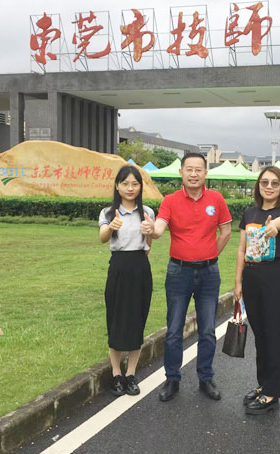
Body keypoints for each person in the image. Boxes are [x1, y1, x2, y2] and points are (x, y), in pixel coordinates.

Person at [141, 153, 232, 402]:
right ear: (181, 172)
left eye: (198, 169)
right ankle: (172, 378)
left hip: (209, 273)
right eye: (189, 169)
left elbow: (226, 231)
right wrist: (151, 229)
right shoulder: (170, 201)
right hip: (178, 272)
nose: (193, 174)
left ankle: (206, 377)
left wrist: (210, 253)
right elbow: (159, 229)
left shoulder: (216, 199)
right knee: (174, 329)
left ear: (205, 173)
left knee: (208, 330)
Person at [234, 166, 280, 415]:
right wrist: (238, 282)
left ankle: (272, 393)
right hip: (252, 277)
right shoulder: (250, 212)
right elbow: (242, 249)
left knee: (274, 336)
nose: (269, 187)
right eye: (264, 182)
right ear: (258, 185)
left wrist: (276, 225)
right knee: (260, 336)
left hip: (275, 278)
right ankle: (263, 385)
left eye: (274, 183)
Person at [98, 165, 155, 397]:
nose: (130, 188)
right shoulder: (108, 212)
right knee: (115, 319)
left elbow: (148, 246)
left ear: (140, 186)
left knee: (136, 320)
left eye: (135, 184)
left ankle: (130, 374)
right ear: (117, 186)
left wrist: (149, 231)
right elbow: (102, 238)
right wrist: (111, 227)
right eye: (125, 184)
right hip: (118, 268)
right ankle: (115, 373)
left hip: (140, 267)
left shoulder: (147, 212)